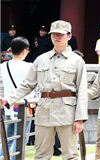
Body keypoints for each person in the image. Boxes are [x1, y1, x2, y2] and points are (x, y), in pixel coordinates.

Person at [0, 20, 88, 160]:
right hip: (44, 111)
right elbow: (27, 85)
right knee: (41, 155)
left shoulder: (77, 61)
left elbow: (82, 91)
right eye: (54, 34)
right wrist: (8, 99)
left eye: (60, 34)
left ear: (69, 36)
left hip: (67, 113)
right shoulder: (41, 60)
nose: (56, 37)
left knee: (70, 155)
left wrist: (80, 119)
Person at [0, 37, 35, 159]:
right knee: (21, 139)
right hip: (24, 106)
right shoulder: (30, 66)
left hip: (9, 105)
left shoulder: (3, 66)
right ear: (25, 50)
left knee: (8, 138)